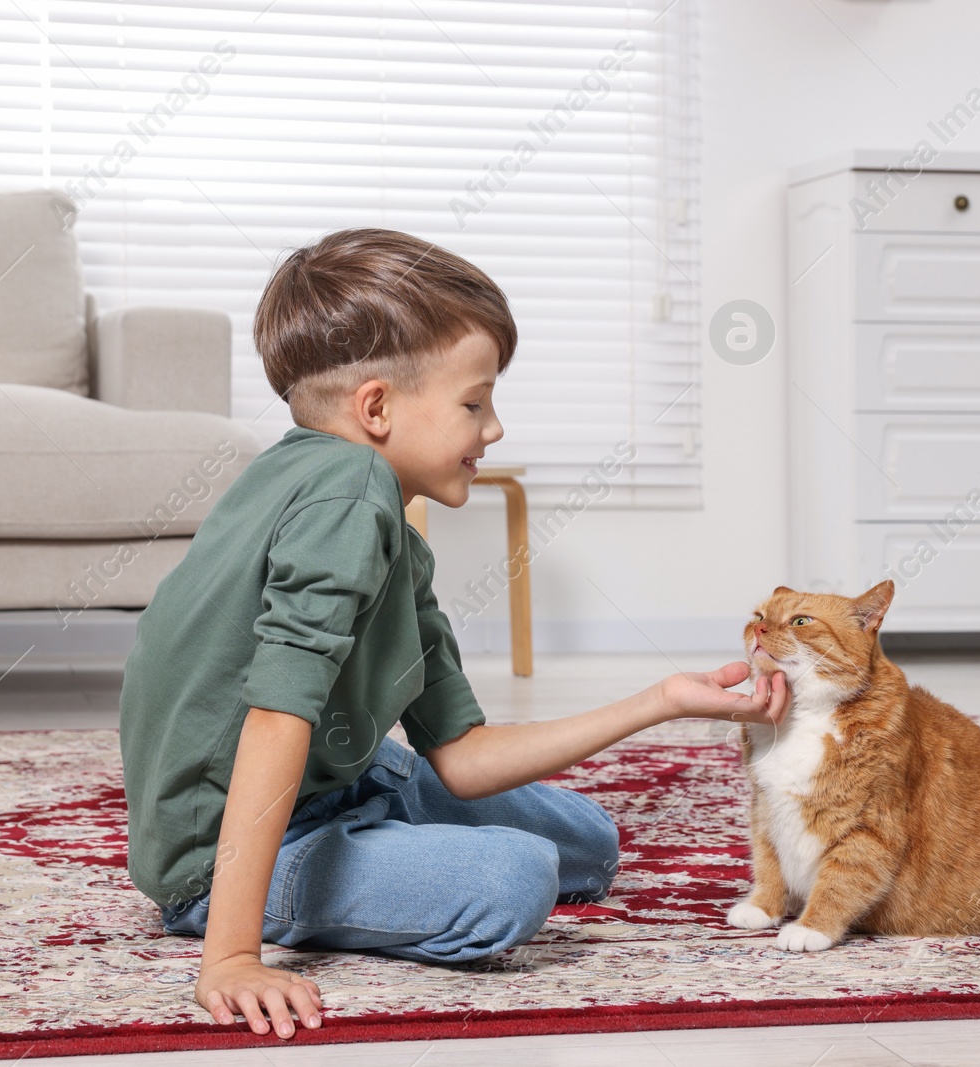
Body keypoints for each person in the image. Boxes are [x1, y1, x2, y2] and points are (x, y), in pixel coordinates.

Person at [118, 228, 788, 1038]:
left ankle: (384, 842)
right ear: (376, 407)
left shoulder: (384, 522)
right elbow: (275, 717)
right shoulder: (346, 490)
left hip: (344, 781)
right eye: (475, 402)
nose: (494, 427)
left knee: (591, 843)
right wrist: (230, 955)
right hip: (219, 858)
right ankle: (318, 879)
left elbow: (464, 757)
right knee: (516, 879)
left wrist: (661, 701)